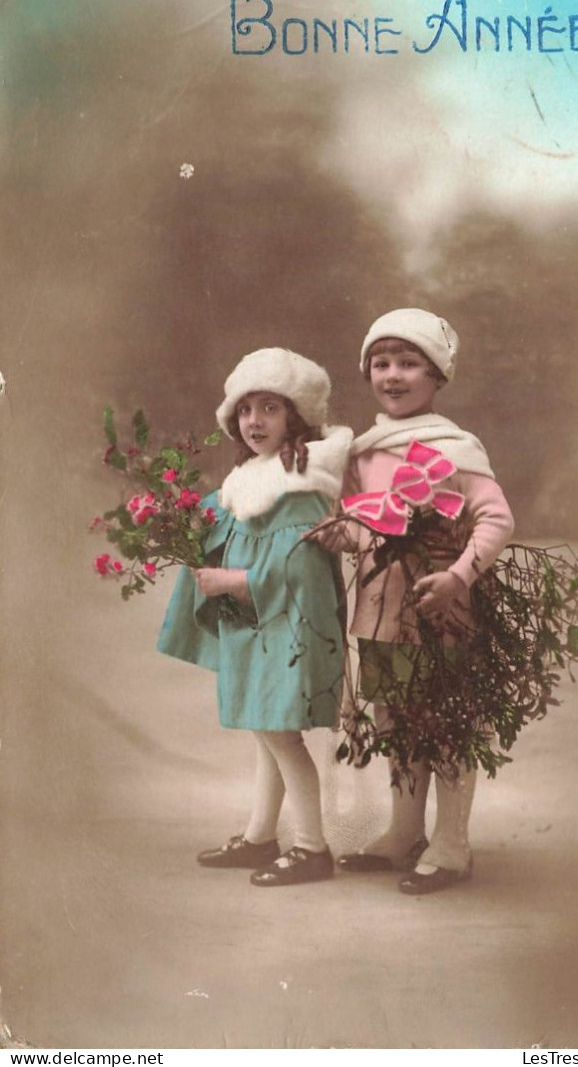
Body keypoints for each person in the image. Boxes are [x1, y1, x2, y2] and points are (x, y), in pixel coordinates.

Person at [314, 308, 515, 895]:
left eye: (409, 363)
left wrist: (459, 576)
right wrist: (339, 533)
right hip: (381, 609)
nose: (393, 375)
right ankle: (405, 830)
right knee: (395, 720)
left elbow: (495, 518)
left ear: (437, 378)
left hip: (440, 608)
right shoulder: (365, 451)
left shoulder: (455, 446)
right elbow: (364, 528)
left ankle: (451, 842)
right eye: (381, 363)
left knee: (447, 724)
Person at [157, 348, 353, 887]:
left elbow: (303, 572)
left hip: (286, 628)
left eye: (270, 408)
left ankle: (313, 848)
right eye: (246, 410)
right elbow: (234, 537)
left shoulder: (299, 480)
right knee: (265, 731)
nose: (255, 421)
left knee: (279, 735)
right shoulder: (250, 479)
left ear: (296, 417)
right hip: (257, 630)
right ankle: (261, 835)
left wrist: (234, 582)